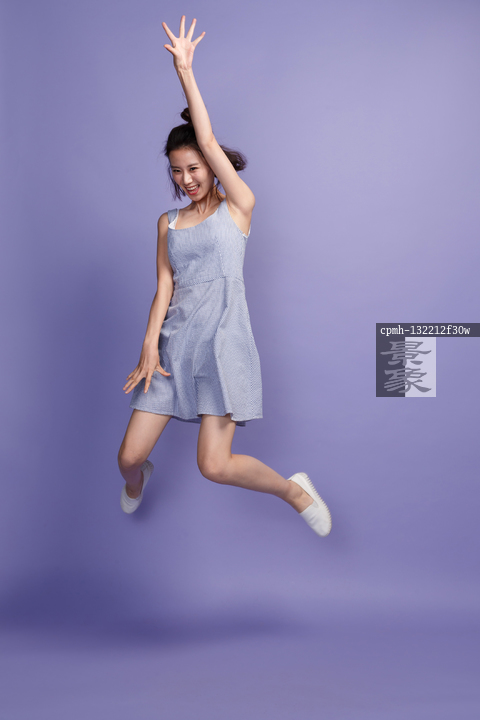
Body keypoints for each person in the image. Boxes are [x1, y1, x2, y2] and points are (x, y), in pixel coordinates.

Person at [117, 15, 332, 537]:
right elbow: (164, 287)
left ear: (212, 167)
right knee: (127, 458)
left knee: (213, 465)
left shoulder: (238, 207)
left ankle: (294, 490)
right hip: (174, 346)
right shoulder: (168, 223)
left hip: (221, 342)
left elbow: (209, 140)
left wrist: (185, 72)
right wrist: (149, 346)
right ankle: (139, 478)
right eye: (177, 170)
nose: (186, 178)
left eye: (194, 168)